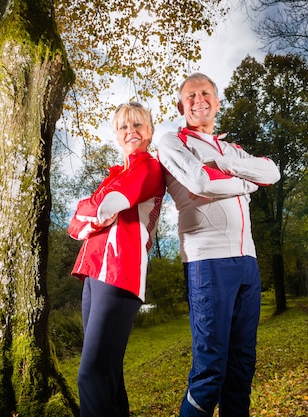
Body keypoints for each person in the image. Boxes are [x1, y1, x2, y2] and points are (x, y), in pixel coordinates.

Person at [157, 73, 281, 417]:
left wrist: (226, 164)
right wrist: (246, 183)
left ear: (217, 101)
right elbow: (200, 181)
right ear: (181, 106)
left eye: (206, 93)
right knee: (211, 372)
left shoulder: (231, 149)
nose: (199, 100)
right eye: (191, 95)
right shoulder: (172, 141)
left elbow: (271, 172)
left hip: (247, 263)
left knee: (242, 367)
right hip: (208, 262)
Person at [68, 102, 165, 417]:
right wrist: (95, 211)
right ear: (116, 134)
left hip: (119, 273)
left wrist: (95, 211)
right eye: (123, 127)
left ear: (149, 132)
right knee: (108, 374)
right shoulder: (115, 175)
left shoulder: (148, 167)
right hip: (93, 274)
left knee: (92, 372)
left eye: (137, 125)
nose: (130, 132)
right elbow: (77, 223)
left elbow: (102, 207)